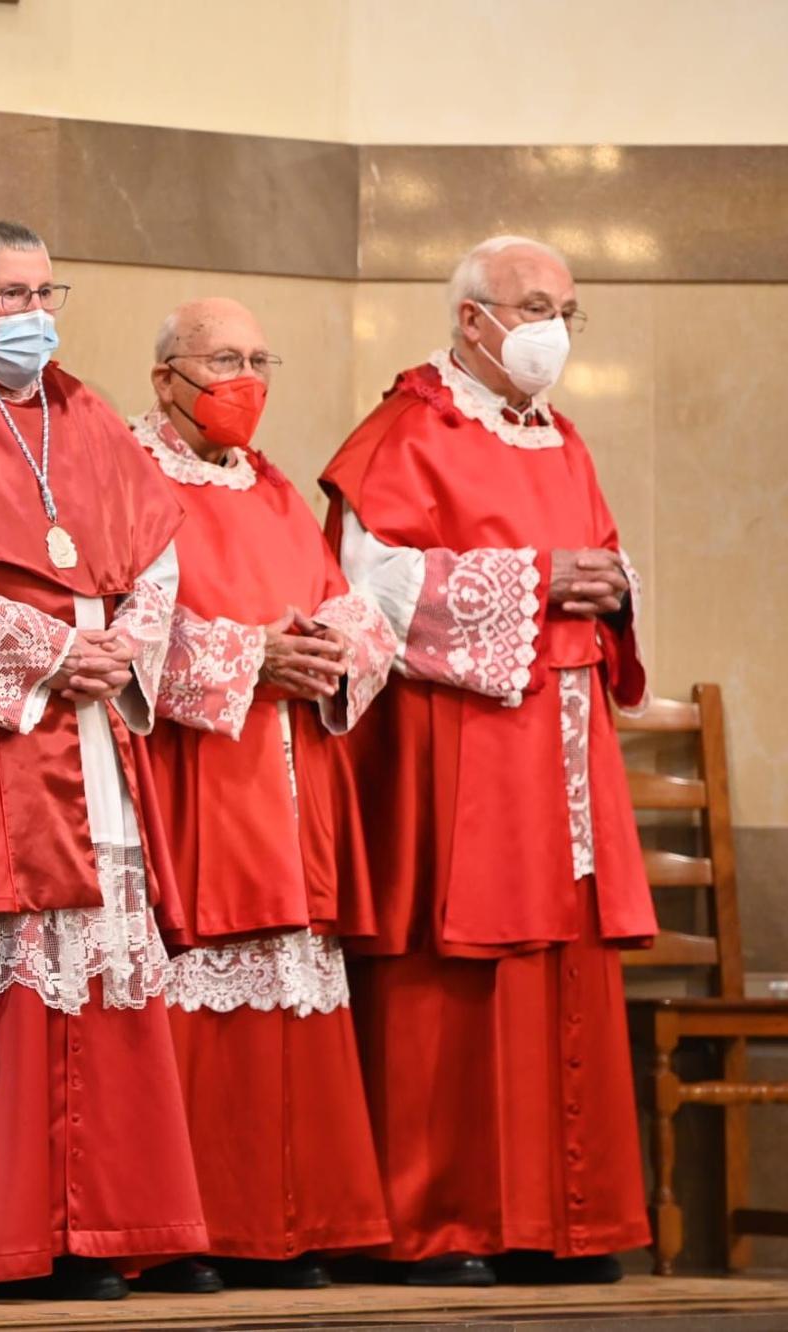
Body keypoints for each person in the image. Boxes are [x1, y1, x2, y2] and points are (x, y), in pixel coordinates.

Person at [0, 220, 206, 1302]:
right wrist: (52, 649)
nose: (34, 313)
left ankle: (95, 1227)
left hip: (92, 722)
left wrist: (119, 648)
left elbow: (155, 552)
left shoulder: (84, 409)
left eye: (45, 289)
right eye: (11, 294)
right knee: (6, 969)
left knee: (97, 968)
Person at [320, 235, 654, 1285]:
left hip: (559, 742)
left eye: (565, 308)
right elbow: (366, 588)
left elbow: (595, 556)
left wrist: (607, 584)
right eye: (532, 305)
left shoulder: (562, 438)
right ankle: (440, 1222)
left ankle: (569, 1219)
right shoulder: (403, 432)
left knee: (564, 963)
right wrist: (534, 582)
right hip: (455, 744)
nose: (551, 329)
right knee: (451, 972)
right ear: (472, 319)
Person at [134, 298, 398, 1292]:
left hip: (293, 769)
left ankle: (298, 1217)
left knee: (292, 986)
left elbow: (349, 603)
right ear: (166, 378)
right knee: (206, 980)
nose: (243, 379)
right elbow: (126, 628)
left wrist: (335, 649)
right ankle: (193, 1227)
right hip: (197, 771)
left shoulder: (276, 486)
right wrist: (250, 657)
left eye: (257, 359)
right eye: (220, 360)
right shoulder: (131, 475)